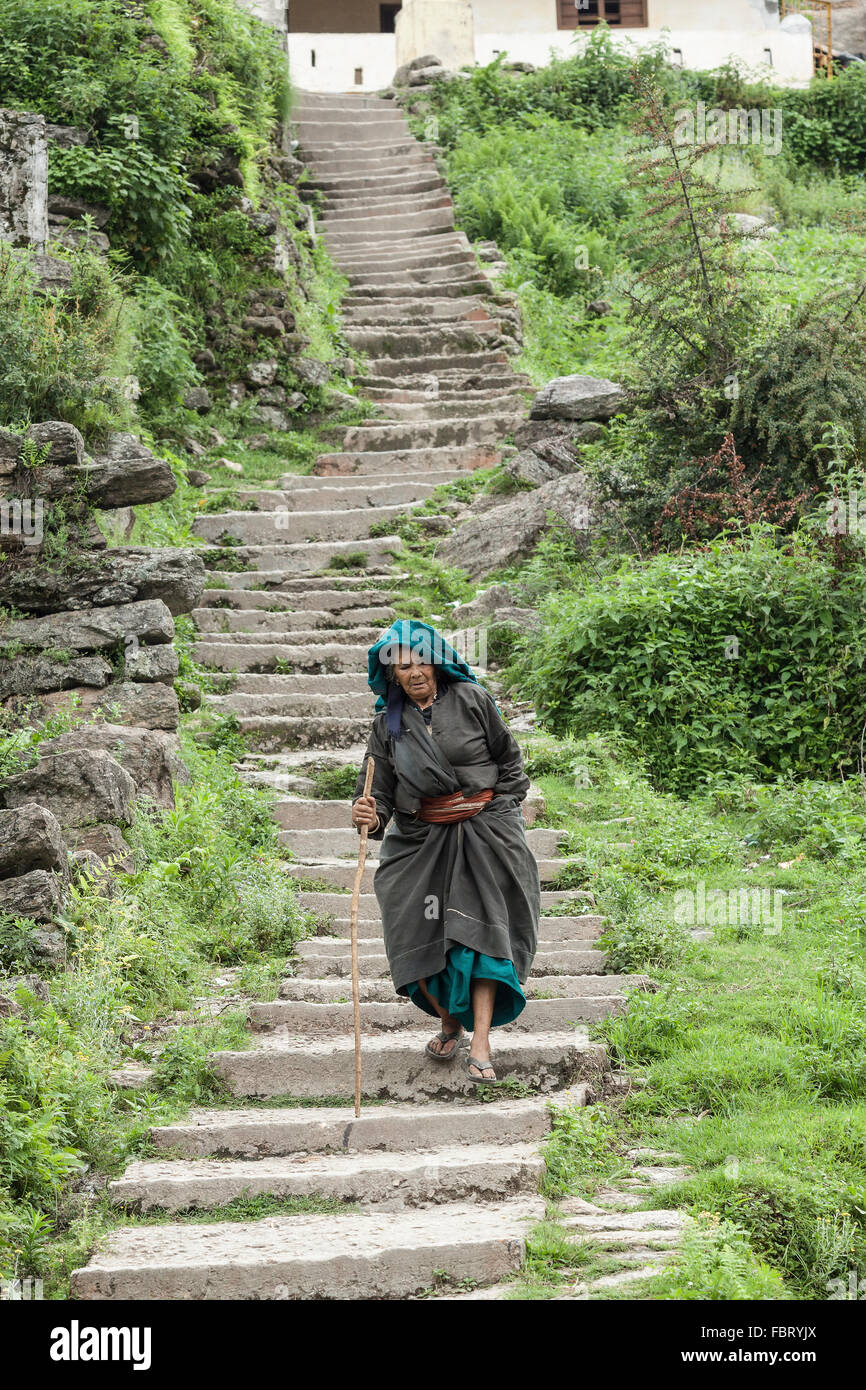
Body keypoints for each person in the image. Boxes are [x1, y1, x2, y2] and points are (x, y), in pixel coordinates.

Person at [351, 619, 540, 1082]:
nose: (413, 672)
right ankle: (447, 1018)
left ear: (435, 662)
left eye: (419, 660)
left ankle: (479, 1042)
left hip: (483, 833)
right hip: (423, 838)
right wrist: (369, 815)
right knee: (411, 929)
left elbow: (511, 764)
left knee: (478, 940)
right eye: (401, 666)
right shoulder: (388, 726)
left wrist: (494, 810)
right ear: (391, 675)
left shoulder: (473, 701)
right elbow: (379, 795)